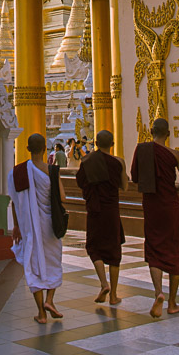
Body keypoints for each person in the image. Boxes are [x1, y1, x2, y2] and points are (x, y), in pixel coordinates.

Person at [130, 117, 179, 318]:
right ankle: (172, 302)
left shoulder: (141, 150)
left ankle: (158, 293)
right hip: (170, 206)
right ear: (168, 133)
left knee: (155, 248)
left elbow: (136, 178)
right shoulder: (174, 155)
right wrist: (174, 188)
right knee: (174, 249)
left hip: (152, 206)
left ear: (151, 131)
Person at [8, 132, 66, 324]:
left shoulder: (17, 172)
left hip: (29, 227)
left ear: (27, 149)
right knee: (53, 262)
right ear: (44, 149)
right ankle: (50, 300)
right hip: (50, 225)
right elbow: (63, 198)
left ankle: (41, 313)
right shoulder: (52, 171)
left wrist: (16, 226)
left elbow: (15, 202)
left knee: (34, 266)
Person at [76, 129, 128, 304]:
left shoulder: (87, 161)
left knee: (93, 248)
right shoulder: (119, 162)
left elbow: (80, 182)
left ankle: (103, 283)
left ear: (96, 144)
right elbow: (125, 187)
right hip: (111, 211)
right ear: (112, 144)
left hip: (95, 211)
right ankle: (113, 295)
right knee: (114, 252)